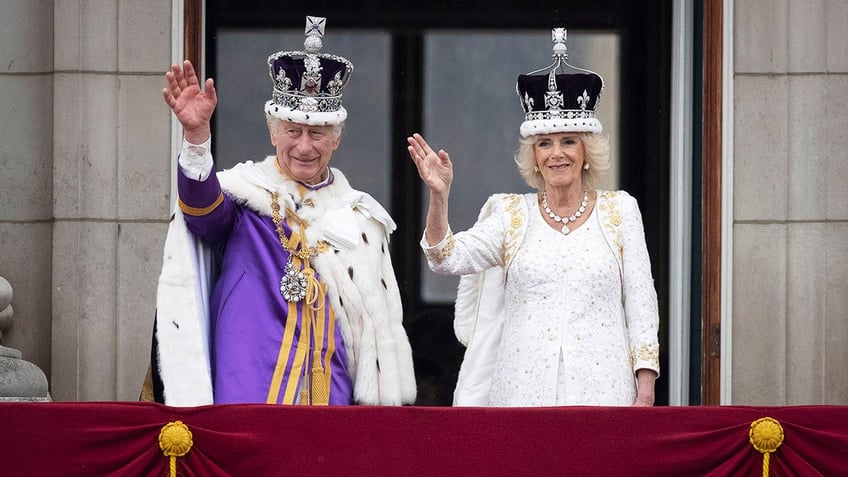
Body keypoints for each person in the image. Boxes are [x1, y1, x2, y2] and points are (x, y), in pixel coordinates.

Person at [148, 16, 416, 406]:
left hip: (330, 389)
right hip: (248, 383)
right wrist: (196, 140)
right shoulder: (246, 199)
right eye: (292, 131)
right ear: (273, 132)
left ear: (336, 139)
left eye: (317, 133)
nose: (304, 146)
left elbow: (373, 336)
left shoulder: (361, 220)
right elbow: (203, 213)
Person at [407, 28, 659, 407]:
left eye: (568, 140)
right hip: (523, 394)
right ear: (535, 157)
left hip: (605, 391)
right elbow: (446, 257)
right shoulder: (511, 214)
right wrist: (439, 197)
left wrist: (645, 384)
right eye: (545, 143)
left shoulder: (620, 211)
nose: (557, 153)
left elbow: (641, 302)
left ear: (586, 150)